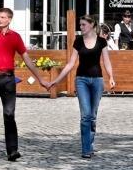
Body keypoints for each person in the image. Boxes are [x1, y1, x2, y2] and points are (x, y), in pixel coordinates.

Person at [0, 7, 47, 161]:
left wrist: (40, 78)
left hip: (8, 79)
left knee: (9, 114)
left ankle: (12, 151)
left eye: (2, 17)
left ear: (9, 19)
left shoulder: (15, 37)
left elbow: (26, 59)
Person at [46, 15, 116, 159]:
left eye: (83, 24)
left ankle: (90, 144)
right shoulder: (78, 41)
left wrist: (111, 77)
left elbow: (106, 61)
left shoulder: (101, 42)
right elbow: (70, 64)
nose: (81, 27)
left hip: (97, 81)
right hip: (81, 80)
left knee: (93, 116)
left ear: (92, 25)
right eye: (80, 25)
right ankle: (86, 149)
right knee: (85, 116)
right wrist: (56, 80)